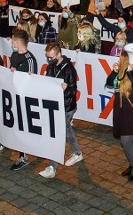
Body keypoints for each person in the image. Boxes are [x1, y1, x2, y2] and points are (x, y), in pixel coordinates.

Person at [39, 42, 83, 179]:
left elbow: (73, 89)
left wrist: (66, 89)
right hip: (58, 105)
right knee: (66, 130)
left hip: (66, 106)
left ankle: (53, 166)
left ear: (59, 54)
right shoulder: (51, 65)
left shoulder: (69, 69)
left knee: (58, 133)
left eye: (51, 57)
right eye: (48, 57)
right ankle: (77, 153)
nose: (49, 60)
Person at [105, 50, 133, 181]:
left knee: (126, 141)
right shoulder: (119, 74)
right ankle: (132, 164)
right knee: (125, 141)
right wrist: (114, 72)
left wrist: (130, 73)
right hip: (121, 110)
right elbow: (110, 84)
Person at [8, 29, 38, 171]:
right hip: (15, 97)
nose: (11, 42)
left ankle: (25, 155)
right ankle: (22, 155)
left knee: (25, 127)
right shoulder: (14, 55)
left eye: (13, 40)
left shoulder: (29, 59)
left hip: (25, 99)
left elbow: (32, 82)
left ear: (17, 41)